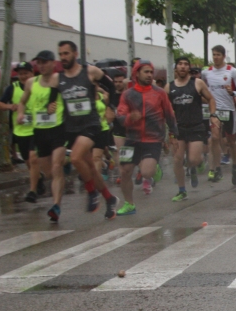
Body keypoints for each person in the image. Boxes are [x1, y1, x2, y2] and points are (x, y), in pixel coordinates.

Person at [56, 41, 119, 220]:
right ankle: (109, 198)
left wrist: (110, 107)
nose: (63, 57)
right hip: (72, 127)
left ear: (75, 54)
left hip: (91, 124)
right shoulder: (59, 77)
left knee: (75, 158)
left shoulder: (90, 71)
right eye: (60, 54)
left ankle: (91, 192)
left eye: (66, 53)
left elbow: (111, 86)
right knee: (90, 167)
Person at [114, 60, 178, 215]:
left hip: (153, 139)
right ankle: (129, 204)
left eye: (151, 72)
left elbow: (169, 114)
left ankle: (154, 167)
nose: (150, 75)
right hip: (131, 139)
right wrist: (130, 118)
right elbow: (120, 116)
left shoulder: (159, 93)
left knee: (146, 173)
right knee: (124, 171)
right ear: (136, 74)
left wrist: (174, 134)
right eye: (146, 72)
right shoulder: (128, 94)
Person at [17, 51, 66, 220]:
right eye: (39, 62)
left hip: (58, 129)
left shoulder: (60, 80)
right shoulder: (31, 82)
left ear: (53, 63)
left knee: (56, 167)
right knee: (49, 173)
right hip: (39, 131)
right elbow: (22, 101)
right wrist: (20, 114)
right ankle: (61, 177)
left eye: (45, 62)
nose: (42, 65)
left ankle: (56, 206)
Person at [165, 57, 218, 200]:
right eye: (180, 64)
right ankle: (182, 191)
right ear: (175, 68)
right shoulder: (169, 87)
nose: (183, 67)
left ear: (189, 68)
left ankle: (194, 166)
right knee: (177, 159)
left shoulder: (197, 83)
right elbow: (164, 108)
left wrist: (213, 115)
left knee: (193, 159)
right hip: (178, 128)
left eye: (185, 64)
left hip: (196, 126)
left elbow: (211, 99)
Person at [0, 62, 43, 198]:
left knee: (33, 158)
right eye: (20, 74)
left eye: (26, 73)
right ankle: (39, 177)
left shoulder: (39, 86)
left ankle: (32, 191)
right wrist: (10, 106)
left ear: (32, 73)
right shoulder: (12, 88)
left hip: (36, 129)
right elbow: (0, 104)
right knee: (28, 162)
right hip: (21, 130)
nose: (23, 76)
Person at [201, 45, 236, 182]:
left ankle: (234, 165)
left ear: (224, 56)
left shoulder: (232, 71)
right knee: (214, 138)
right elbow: (203, 90)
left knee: (231, 140)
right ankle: (216, 168)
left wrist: (233, 93)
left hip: (229, 110)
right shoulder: (206, 73)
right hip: (214, 111)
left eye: (218, 55)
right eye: (213, 54)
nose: (215, 57)